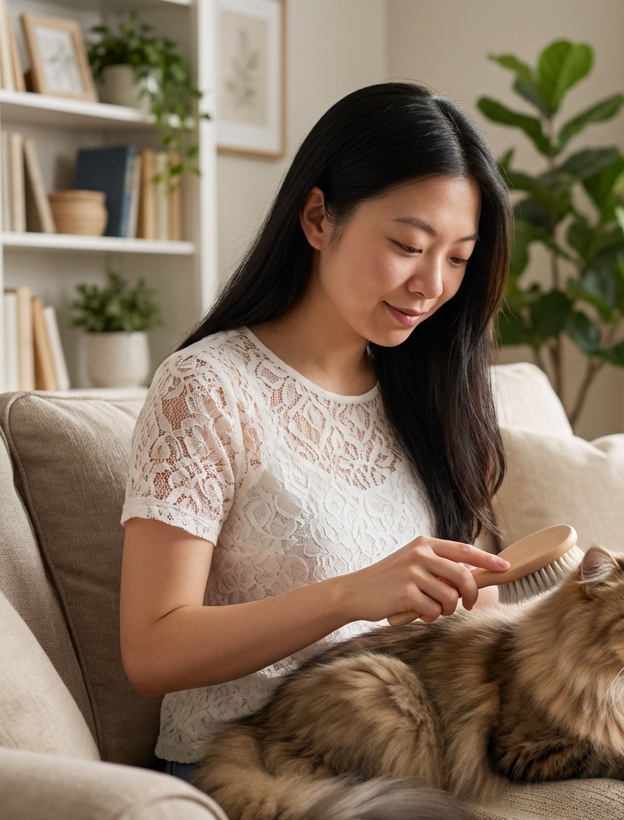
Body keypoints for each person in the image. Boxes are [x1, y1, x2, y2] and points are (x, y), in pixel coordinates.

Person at [119, 83, 513, 780]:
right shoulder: (207, 387)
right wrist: (350, 596)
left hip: (404, 756)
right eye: (407, 245)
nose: (431, 285)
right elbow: (151, 650)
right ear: (317, 217)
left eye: (457, 258)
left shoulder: (430, 392)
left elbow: (469, 614)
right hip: (253, 776)